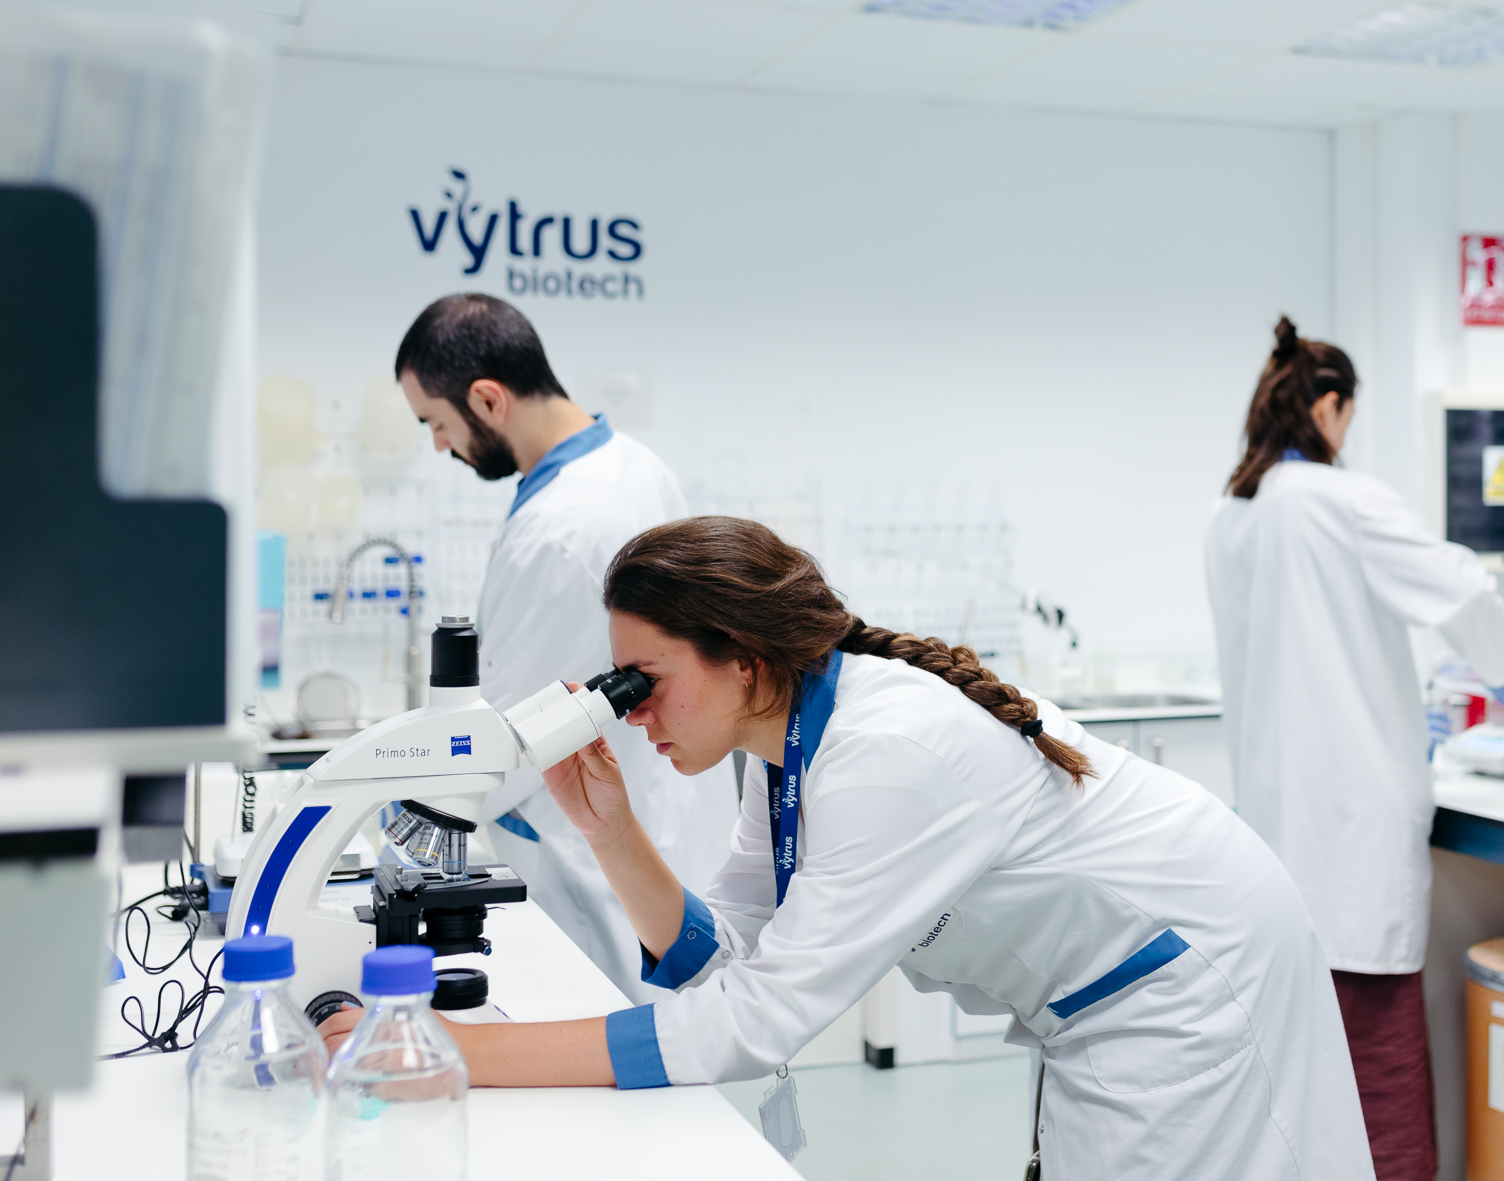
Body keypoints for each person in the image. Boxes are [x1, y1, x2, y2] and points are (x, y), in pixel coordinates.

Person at [324, 515, 1375, 1181]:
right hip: (1096, 1002)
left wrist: (451, 1053)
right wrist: (610, 830)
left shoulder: (886, 755)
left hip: (1194, 984)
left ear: (741, 659)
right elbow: (723, 960)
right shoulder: (784, 749)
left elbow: (750, 1023)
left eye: (647, 681)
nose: (631, 711)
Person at [1204, 317, 1504, 1181]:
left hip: (1279, 822)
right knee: (1378, 1067)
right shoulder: (1337, 499)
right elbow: (1459, 586)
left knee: (1304, 1070)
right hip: (1354, 825)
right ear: (1328, 408)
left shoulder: (1232, 515)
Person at [394, 293, 735, 1000]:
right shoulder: (632, 464)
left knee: (625, 1044)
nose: (439, 444)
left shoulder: (562, 529)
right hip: (659, 833)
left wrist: (397, 799)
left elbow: (509, 742)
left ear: (488, 399)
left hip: (598, 875)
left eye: (435, 422)